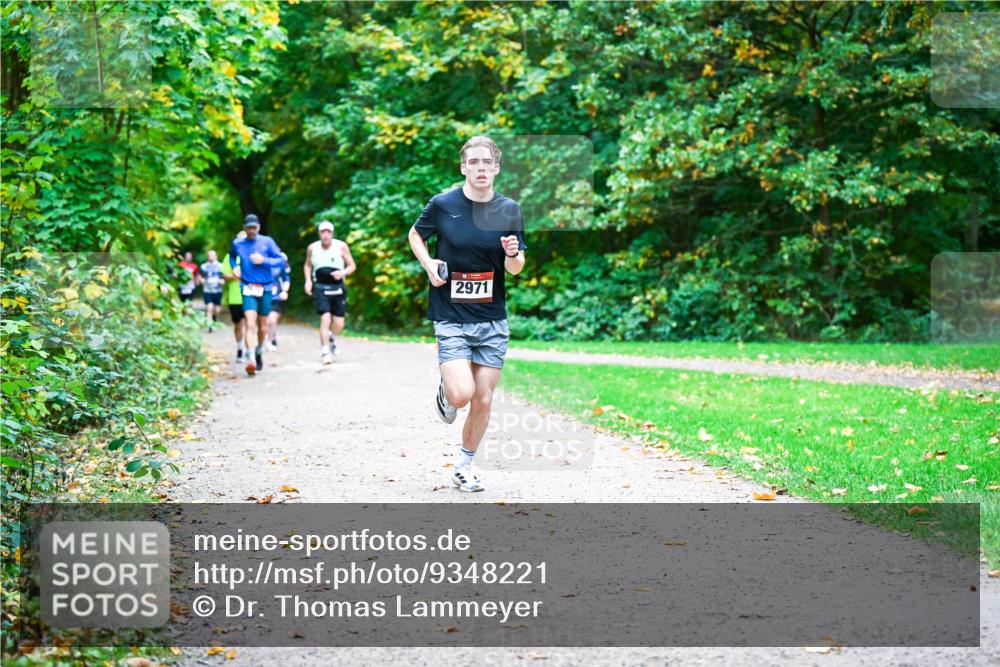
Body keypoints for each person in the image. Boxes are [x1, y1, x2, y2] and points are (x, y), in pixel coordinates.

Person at [406, 136, 526, 493]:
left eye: (487, 163)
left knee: (484, 398)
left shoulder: (509, 210)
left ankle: (464, 465)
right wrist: (429, 264)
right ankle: (446, 392)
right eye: (473, 162)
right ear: (463, 168)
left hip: (492, 319)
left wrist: (512, 251)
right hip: (451, 315)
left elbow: (516, 268)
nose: (480, 169)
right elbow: (415, 234)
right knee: (462, 395)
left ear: (497, 169)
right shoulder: (443, 204)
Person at [228, 214, 285, 375]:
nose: (251, 230)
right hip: (248, 288)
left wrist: (264, 260)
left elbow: (280, 260)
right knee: (250, 323)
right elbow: (232, 257)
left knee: (262, 326)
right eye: (249, 228)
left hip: (265, 288)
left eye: (254, 227)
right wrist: (235, 267)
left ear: (258, 227)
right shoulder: (238, 243)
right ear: (244, 228)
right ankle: (251, 359)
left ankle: (259, 350)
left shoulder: (267, 242)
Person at [303, 220, 356, 364]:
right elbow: (307, 265)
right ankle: (325, 351)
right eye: (323, 232)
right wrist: (308, 281)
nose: (325, 235)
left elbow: (352, 265)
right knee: (325, 318)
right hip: (321, 287)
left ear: (332, 233)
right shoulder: (312, 248)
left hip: (338, 287)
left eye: (328, 232)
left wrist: (343, 272)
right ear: (319, 233)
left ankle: (332, 337)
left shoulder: (341, 246)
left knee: (339, 323)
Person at [221, 231, 247, 362]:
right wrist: (235, 276)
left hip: (250, 294)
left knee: (250, 322)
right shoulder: (229, 257)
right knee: (239, 324)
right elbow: (224, 275)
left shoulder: (252, 255)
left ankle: (249, 349)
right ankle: (240, 348)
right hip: (235, 296)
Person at [266, 253, 291, 351]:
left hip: (276, 297)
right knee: (266, 320)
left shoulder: (281, 266)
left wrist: (284, 291)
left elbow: (286, 279)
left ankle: (270, 338)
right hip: (264, 296)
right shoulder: (262, 264)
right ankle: (269, 336)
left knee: (272, 319)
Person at [200, 250, 224, 332]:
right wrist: (201, 280)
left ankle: (215, 319)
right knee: (209, 308)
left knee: (217, 310)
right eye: (209, 256)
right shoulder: (203, 266)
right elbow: (201, 276)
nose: (211, 257)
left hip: (218, 290)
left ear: (216, 256)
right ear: (207, 257)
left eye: (213, 255)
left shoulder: (221, 266)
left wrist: (223, 281)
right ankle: (209, 325)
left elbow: (224, 276)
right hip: (207, 290)